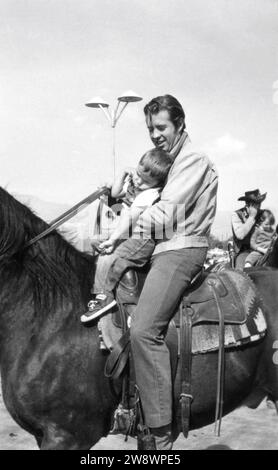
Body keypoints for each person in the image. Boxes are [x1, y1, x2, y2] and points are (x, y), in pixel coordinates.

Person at [126, 95, 218, 449]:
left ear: (180, 123)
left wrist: (120, 221)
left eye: (161, 127)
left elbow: (165, 216)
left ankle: (160, 431)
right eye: (150, 128)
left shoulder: (193, 159)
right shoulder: (171, 161)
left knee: (144, 330)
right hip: (161, 245)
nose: (155, 135)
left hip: (180, 249)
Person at [81, 147, 172, 323]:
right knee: (94, 241)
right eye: (137, 174)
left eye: (145, 182)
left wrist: (113, 239)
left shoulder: (149, 194)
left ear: (157, 184)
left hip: (141, 239)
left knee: (108, 256)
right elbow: (115, 193)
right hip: (126, 229)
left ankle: (103, 296)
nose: (138, 182)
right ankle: (97, 277)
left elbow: (129, 217)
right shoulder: (135, 183)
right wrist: (123, 172)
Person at [231, 189, 266, 268]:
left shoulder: (264, 214)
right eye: (255, 204)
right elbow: (240, 235)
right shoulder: (237, 215)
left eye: (259, 203)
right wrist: (251, 217)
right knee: (241, 273)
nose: (259, 206)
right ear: (248, 205)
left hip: (262, 250)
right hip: (243, 251)